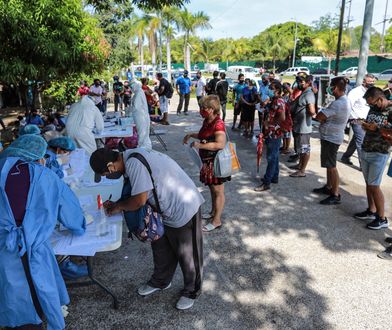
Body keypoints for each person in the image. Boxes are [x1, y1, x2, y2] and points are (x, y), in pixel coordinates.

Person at [89, 147, 204, 310]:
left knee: (188, 254)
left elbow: (139, 201)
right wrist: (117, 204)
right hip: (163, 210)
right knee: (161, 247)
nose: (108, 177)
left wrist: (119, 207)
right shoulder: (128, 158)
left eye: (106, 174)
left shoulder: (134, 164)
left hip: (182, 206)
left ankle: (192, 290)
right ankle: (161, 281)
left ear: (110, 166)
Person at [0, 134, 86, 330]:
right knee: (37, 292)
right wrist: (79, 226)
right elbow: (72, 215)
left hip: (4, 253)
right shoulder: (45, 176)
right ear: (40, 157)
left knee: (11, 298)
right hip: (33, 253)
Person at [183, 95, 229, 232]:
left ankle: (217, 220)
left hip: (216, 163)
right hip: (207, 162)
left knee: (218, 191)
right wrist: (192, 134)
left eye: (204, 108)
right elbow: (205, 135)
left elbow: (220, 144)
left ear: (212, 109)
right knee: (212, 189)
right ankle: (213, 212)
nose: (201, 110)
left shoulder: (218, 124)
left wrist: (200, 146)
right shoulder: (207, 120)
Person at [353, 87, 392, 230]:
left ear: (380, 99)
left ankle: (382, 218)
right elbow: (370, 125)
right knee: (369, 184)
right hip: (366, 149)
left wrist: (377, 129)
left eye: (373, 104)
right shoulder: (373, 108)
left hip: (380, 152)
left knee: (374, 186)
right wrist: (365, 125)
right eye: (369, 104)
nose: (371, 106)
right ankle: (371, 210)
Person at [313, 77, 351, 205]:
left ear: (335, 88)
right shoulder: (342, 101)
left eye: (331, 87)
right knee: (329, 166)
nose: (329, 89)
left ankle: (335, 193)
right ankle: (329, 186)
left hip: (331, 138)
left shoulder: (338, 103)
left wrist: (322, 117)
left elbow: (319, 117)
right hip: (330, 137)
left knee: (332, 166)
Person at [255, 82, 285, 192]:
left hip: (274, 133)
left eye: (271, 89)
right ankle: (274, 177)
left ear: (277, 90)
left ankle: (266, 182)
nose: (269, 91)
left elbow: (282, 117)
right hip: (271, 133)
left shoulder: (279, 101)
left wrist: (269, 123)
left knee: (271, 158)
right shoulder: (274, 100)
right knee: (275, 156)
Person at [341, 74, 376, 166]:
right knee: (361, 142)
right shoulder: (355, 92)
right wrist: (352, 119)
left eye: (373, 82)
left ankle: (345, 157)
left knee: (356, 140)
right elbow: (348, 106)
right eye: (369, 82)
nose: (371, 84)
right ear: (364, 81)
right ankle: (363, 165)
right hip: (357, 120)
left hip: (367, 121)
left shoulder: (372, 92)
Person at [290, 75, 316, 177]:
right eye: (298, 81)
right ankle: (300, 165)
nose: (299, 83)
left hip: (304, 128)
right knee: (300, 148)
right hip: (298, 126)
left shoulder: (309, 94)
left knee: (305, 149)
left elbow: (312, 111)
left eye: (301, 82)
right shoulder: (304, 93)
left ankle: (302, 171)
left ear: (308, 82)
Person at [126, 81, 152, 150]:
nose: (131, 88)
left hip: (141, 116)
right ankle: (143, 148)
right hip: (139, 116)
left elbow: (135, 107)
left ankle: (143, 149)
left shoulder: (139, 93)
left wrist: (128, 113)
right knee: (142, 134)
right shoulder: (138, 93)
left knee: (142, 134)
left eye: (131, 86)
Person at [280, 83, 293, 154]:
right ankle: (284, 145)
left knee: (287, 133)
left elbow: (292, 93)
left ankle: (287, 148)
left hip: (288, 116)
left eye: (286, 88)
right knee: (283, 133)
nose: (284, 90)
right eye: (283, 88)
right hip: (283, 116)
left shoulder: (290, 96)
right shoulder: (283, 96)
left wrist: (287, 87)